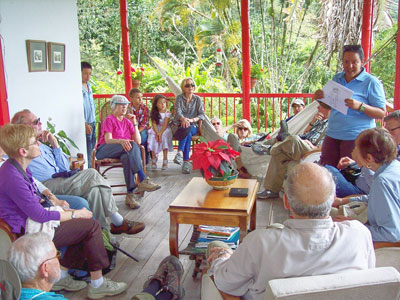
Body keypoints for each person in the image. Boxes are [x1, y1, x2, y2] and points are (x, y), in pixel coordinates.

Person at [206, 162, 375, 300]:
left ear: (286, 202)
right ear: (332, 201)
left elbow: (225, 282)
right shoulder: (359, 234)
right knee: (276, 231)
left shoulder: (260, 243)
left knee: (217, 244)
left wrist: (223, 256)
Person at [0, 125, 128, 299]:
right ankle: (97, 284)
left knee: (82, 224)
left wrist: (57, 203)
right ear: (23, 151)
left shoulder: (17, 166)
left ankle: (63, 275)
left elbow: (33, 198)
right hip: (25, 233)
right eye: (35, 142)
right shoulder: (12, 176)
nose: (39, 143)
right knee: (90, 226)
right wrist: (75, 214)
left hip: (31, 223)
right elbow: (40, 215)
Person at [11, 109, 145, 234]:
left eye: (39, 120)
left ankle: (103, 233)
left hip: (61, 178)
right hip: (46, 185)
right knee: (91, 174)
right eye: (35, 122)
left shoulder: (42, 146)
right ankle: (118, 221)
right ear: (23, 127)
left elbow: (64, 168)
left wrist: (55, 144)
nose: (40, 123)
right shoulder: (21, 150)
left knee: (95, 191)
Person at [314, 45, 386, 167]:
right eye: (346, 62)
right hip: (333, 133)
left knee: (349, 173)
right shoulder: (337, 78)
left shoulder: (371, 82)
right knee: (326, 171)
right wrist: (320, 98)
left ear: (362, 62)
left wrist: (360, 106)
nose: (350, 66)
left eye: (354, 62)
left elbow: (381, 113)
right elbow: (329, 105)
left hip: (356, 137)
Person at [333, 127, 400, 243]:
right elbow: (376, 198)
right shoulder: (393, 166)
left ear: (369, 158)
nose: (353, 152)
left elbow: (391, 233)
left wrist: (352, 226)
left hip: (386, 248)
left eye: (356, 148)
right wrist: (342, 201)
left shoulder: (382, 181)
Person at [96, 95, 160, 209]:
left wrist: (134, 123)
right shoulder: (109, 120)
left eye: (125, 105)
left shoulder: (127, 121)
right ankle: (142, 178)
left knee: (127, 157)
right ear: (113, 107)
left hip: (123, 151)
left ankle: (130, 194)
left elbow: (138, 141)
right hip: (105, 149)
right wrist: (121, 141)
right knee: (131, 146)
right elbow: (108, 139)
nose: (124, 107)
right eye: (121, 105)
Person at [257, 101, 331, 199]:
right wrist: (312, 122)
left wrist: (314, 147)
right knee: (280, 154)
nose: (317, 108)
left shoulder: (332, 125)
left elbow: (329, 146)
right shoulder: (319, 120)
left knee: (293, 139)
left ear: (328, 109)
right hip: (303, 144)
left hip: (313, 151)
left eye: (320, 107)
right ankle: (271, 190)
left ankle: (272, 147)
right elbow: (306, 133)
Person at [325, 110, 400, 197]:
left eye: (390, 130)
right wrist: (355, 164)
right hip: (358, 180)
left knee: (326, 171)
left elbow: (377, 187)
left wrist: (362, 164)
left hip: (362, 193)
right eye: (385, 129)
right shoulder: (394, 147)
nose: (387, 134)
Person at [0, 145, 90, 211]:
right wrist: (55, 204)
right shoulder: (10, 165)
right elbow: (28, 199)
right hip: (36, 204)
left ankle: (102, 229)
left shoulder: (10, 161)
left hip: (44, 193)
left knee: (91, 192)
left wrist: (52, 197)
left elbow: (35, 182)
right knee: (90, 177)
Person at [172, 78, 206, 174]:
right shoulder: (179, 98)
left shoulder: (197, 99)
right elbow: (177, 111)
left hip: (193, 125)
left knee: (188, 129)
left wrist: (191, 120)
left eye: (192, 85)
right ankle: (186, 162)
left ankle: (179, 153)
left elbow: (202, 114)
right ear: (183, 87)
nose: (190, 87)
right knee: (188, 133)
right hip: (180, 125)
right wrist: (183, 119)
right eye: (187, 85)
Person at [148, 94, 173, 170]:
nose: (163, 104)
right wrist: (157, 133)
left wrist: (160, 133)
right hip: (156, 129)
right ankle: (154, 159)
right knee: (152, 136)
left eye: (164, 102)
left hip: (165, 129)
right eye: (160, 103)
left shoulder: (167, 112)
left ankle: (165, 160)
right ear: (156, 104)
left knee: (164, 136)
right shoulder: (154, 113)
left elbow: (165, 124)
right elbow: (154, 124)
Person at [128, 88, 150, 164]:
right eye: (138, 98)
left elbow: (144, 124)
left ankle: (144, 159)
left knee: (143, 137)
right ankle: (133, 158)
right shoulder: (128, 108)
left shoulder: (145, 108)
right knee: (129, 139)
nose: (140, 99)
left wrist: (136, 131)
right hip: (131, 128)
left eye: (141, 97)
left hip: (142, 128)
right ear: (131, 98)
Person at [81, 61, 96, 168]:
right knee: (87, 148)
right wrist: (84, 123)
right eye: (85, 73)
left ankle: (93, 168)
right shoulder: (77, 88)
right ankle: (90, 170)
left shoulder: (89, 86)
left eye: (90, 73)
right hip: (85, 122)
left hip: (93, 120)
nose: (88, 76)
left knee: (92, 148)